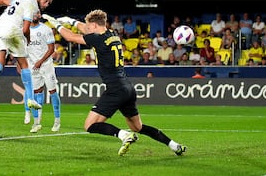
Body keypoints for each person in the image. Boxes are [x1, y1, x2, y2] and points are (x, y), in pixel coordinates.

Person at [42, 10, 187, 156]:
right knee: (138, 127)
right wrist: (70, 20)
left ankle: (123, 135)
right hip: (127, 88)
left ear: (93, 25)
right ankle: (174, 145)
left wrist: (56, 24)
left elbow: (71, 37)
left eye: (89, 26)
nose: (87, 29)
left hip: (115, 89)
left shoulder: (97, 39)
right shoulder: (112, 34)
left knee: (90, 125)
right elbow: (85, 28)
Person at [24, 13, 61, 133]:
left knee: (52, 91)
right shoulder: (24, 30)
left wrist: (40, 61)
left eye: (37, 12)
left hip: (46, 66)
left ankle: (57, 121)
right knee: (36, 93)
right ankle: (36, 122)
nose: (35, 14)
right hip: (33, 66)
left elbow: (51, 49)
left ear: (39, 15)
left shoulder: (45, 29)